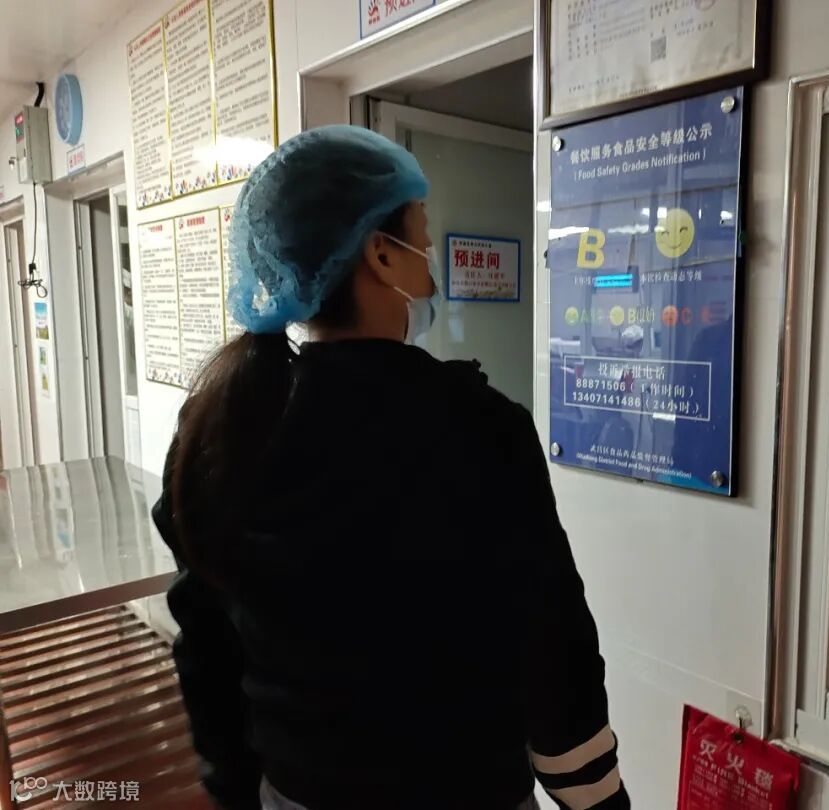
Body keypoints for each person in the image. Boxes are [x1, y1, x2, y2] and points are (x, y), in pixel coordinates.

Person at [152, 125, 630, 810]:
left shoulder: (223, 431)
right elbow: (552, 651)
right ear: (381, 254)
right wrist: (599, 801)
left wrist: (238, 789)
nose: (430, 267)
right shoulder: (479, 428)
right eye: (422, 239)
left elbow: (206, 649)